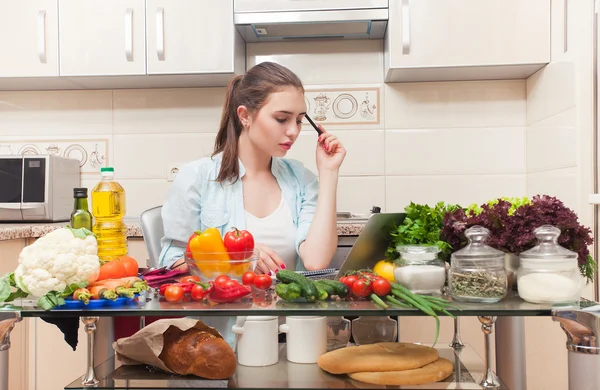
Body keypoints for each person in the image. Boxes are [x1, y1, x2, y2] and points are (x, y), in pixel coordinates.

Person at [158, 61, 346, 274]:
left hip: (289, 306)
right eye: (282, 119)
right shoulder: (196, 177)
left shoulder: (302, 180)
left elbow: (315, 261)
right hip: (223, 306)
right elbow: (170, 267)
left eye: (300, 120)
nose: (293, 131)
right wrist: (235, 256)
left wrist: (329, 172)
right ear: (245, 116)